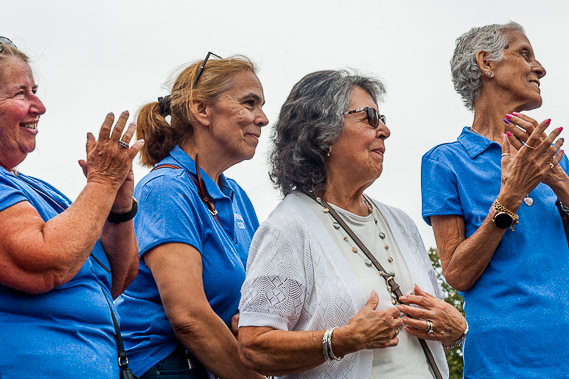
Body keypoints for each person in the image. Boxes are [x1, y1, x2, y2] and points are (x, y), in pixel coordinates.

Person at [237, 70, 467, 379]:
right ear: (322, 132)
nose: (384, 130)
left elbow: (436, 329)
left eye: (381, 118)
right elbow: (254, 346)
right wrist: (343, 340)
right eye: (369, 118)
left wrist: (456, 330)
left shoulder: (402, 224)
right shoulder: (288, 229)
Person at [421, 21, 569, 378]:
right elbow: (457, 273)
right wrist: (510, 197)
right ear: (486, 63)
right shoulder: (446, 162)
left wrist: (558, 179)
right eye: (524, 54)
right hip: (504, 362)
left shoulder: (551, 155)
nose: (540, 68)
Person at [115, 53, 267, 379]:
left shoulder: (236, 194)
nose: (263, 118)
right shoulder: (166, 188)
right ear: (202, 111)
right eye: (250, 103)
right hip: (164, 366)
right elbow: (189, 317)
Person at [0, 38, 142, 377]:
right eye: (22, 93)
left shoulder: (41, 190)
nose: (40, 106)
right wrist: (102, 183)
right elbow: (44, 264)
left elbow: (115, 280)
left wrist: (119, 207)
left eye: (35, 90)